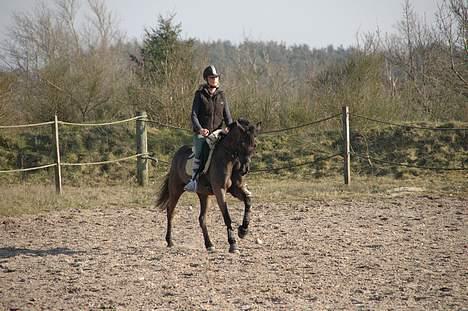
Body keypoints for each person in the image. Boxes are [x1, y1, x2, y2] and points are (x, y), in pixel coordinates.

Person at [184, 65, 233, 192]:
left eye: (216, 77)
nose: (215, 79)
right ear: (207, 79)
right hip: (203, 133)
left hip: (218, 133)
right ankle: (194, 180)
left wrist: (229, 128)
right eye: (212, 77)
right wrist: (200, 129)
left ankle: (236, 178)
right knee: (200, 151)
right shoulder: (199, 95)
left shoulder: (222, 96)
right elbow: (194, 115)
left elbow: (227, 116)